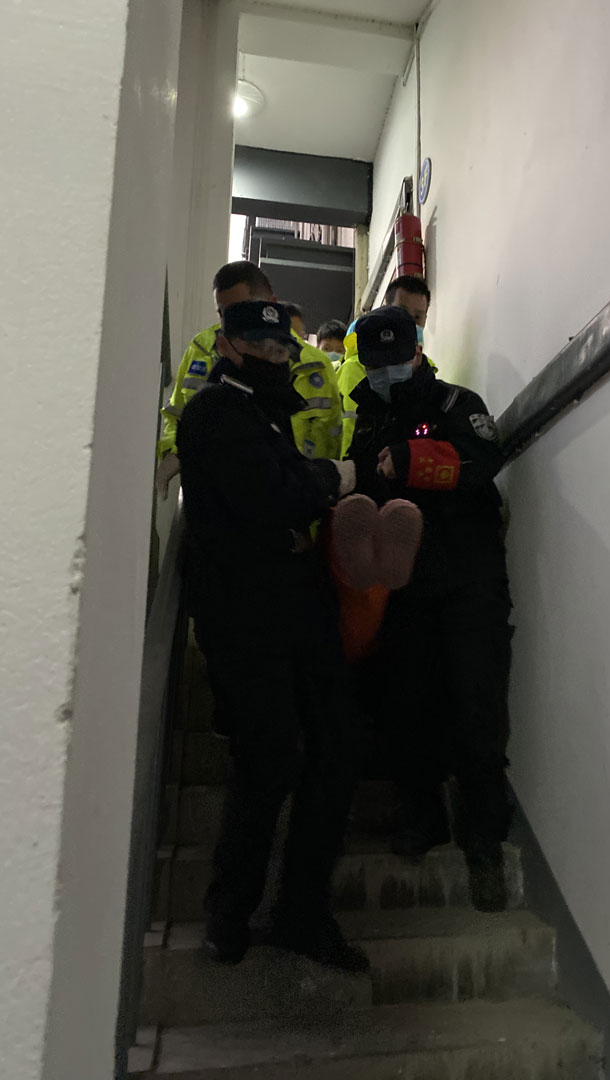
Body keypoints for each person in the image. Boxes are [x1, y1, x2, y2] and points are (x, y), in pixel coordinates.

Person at [176, 298, 367, 972]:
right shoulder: (214, 412)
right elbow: (273, 497)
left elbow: (283, 494)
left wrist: (302, 493)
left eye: (283, 348)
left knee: (337, 746)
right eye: (260, 346)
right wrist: (327, 479)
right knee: (268, 757)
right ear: (228, 346)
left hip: (296, 606)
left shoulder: (265, 413)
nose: (275, 357)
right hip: (243, 616)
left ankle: (301, 913)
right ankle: (230, 914)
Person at [344, 306, 513, 913]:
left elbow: (482, 462)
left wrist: (413, 460)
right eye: (374, 364)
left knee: (477, 708)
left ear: (416, 353)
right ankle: (424, 817)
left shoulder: (455, 404)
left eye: (395, 361)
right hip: (403, 591)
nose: (385, 373)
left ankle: (484, 842)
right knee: (407, 709)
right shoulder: (366, 419)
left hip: (469, 584)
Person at [156, 263, 342, 496]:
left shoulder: (314, 366)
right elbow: (176, 412)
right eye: (223, 313)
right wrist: (175, 451)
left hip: (294, 498)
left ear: (271, 305)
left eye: (242, 310)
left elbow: (330, 439)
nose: (232, 323)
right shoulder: (202, 349)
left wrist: (322, 488)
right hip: (213, 497)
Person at [338, 275, 435, 456]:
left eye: (418, 317)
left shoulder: (442, 392)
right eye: (402, 311)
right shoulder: (356, 369)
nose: (410, 322)